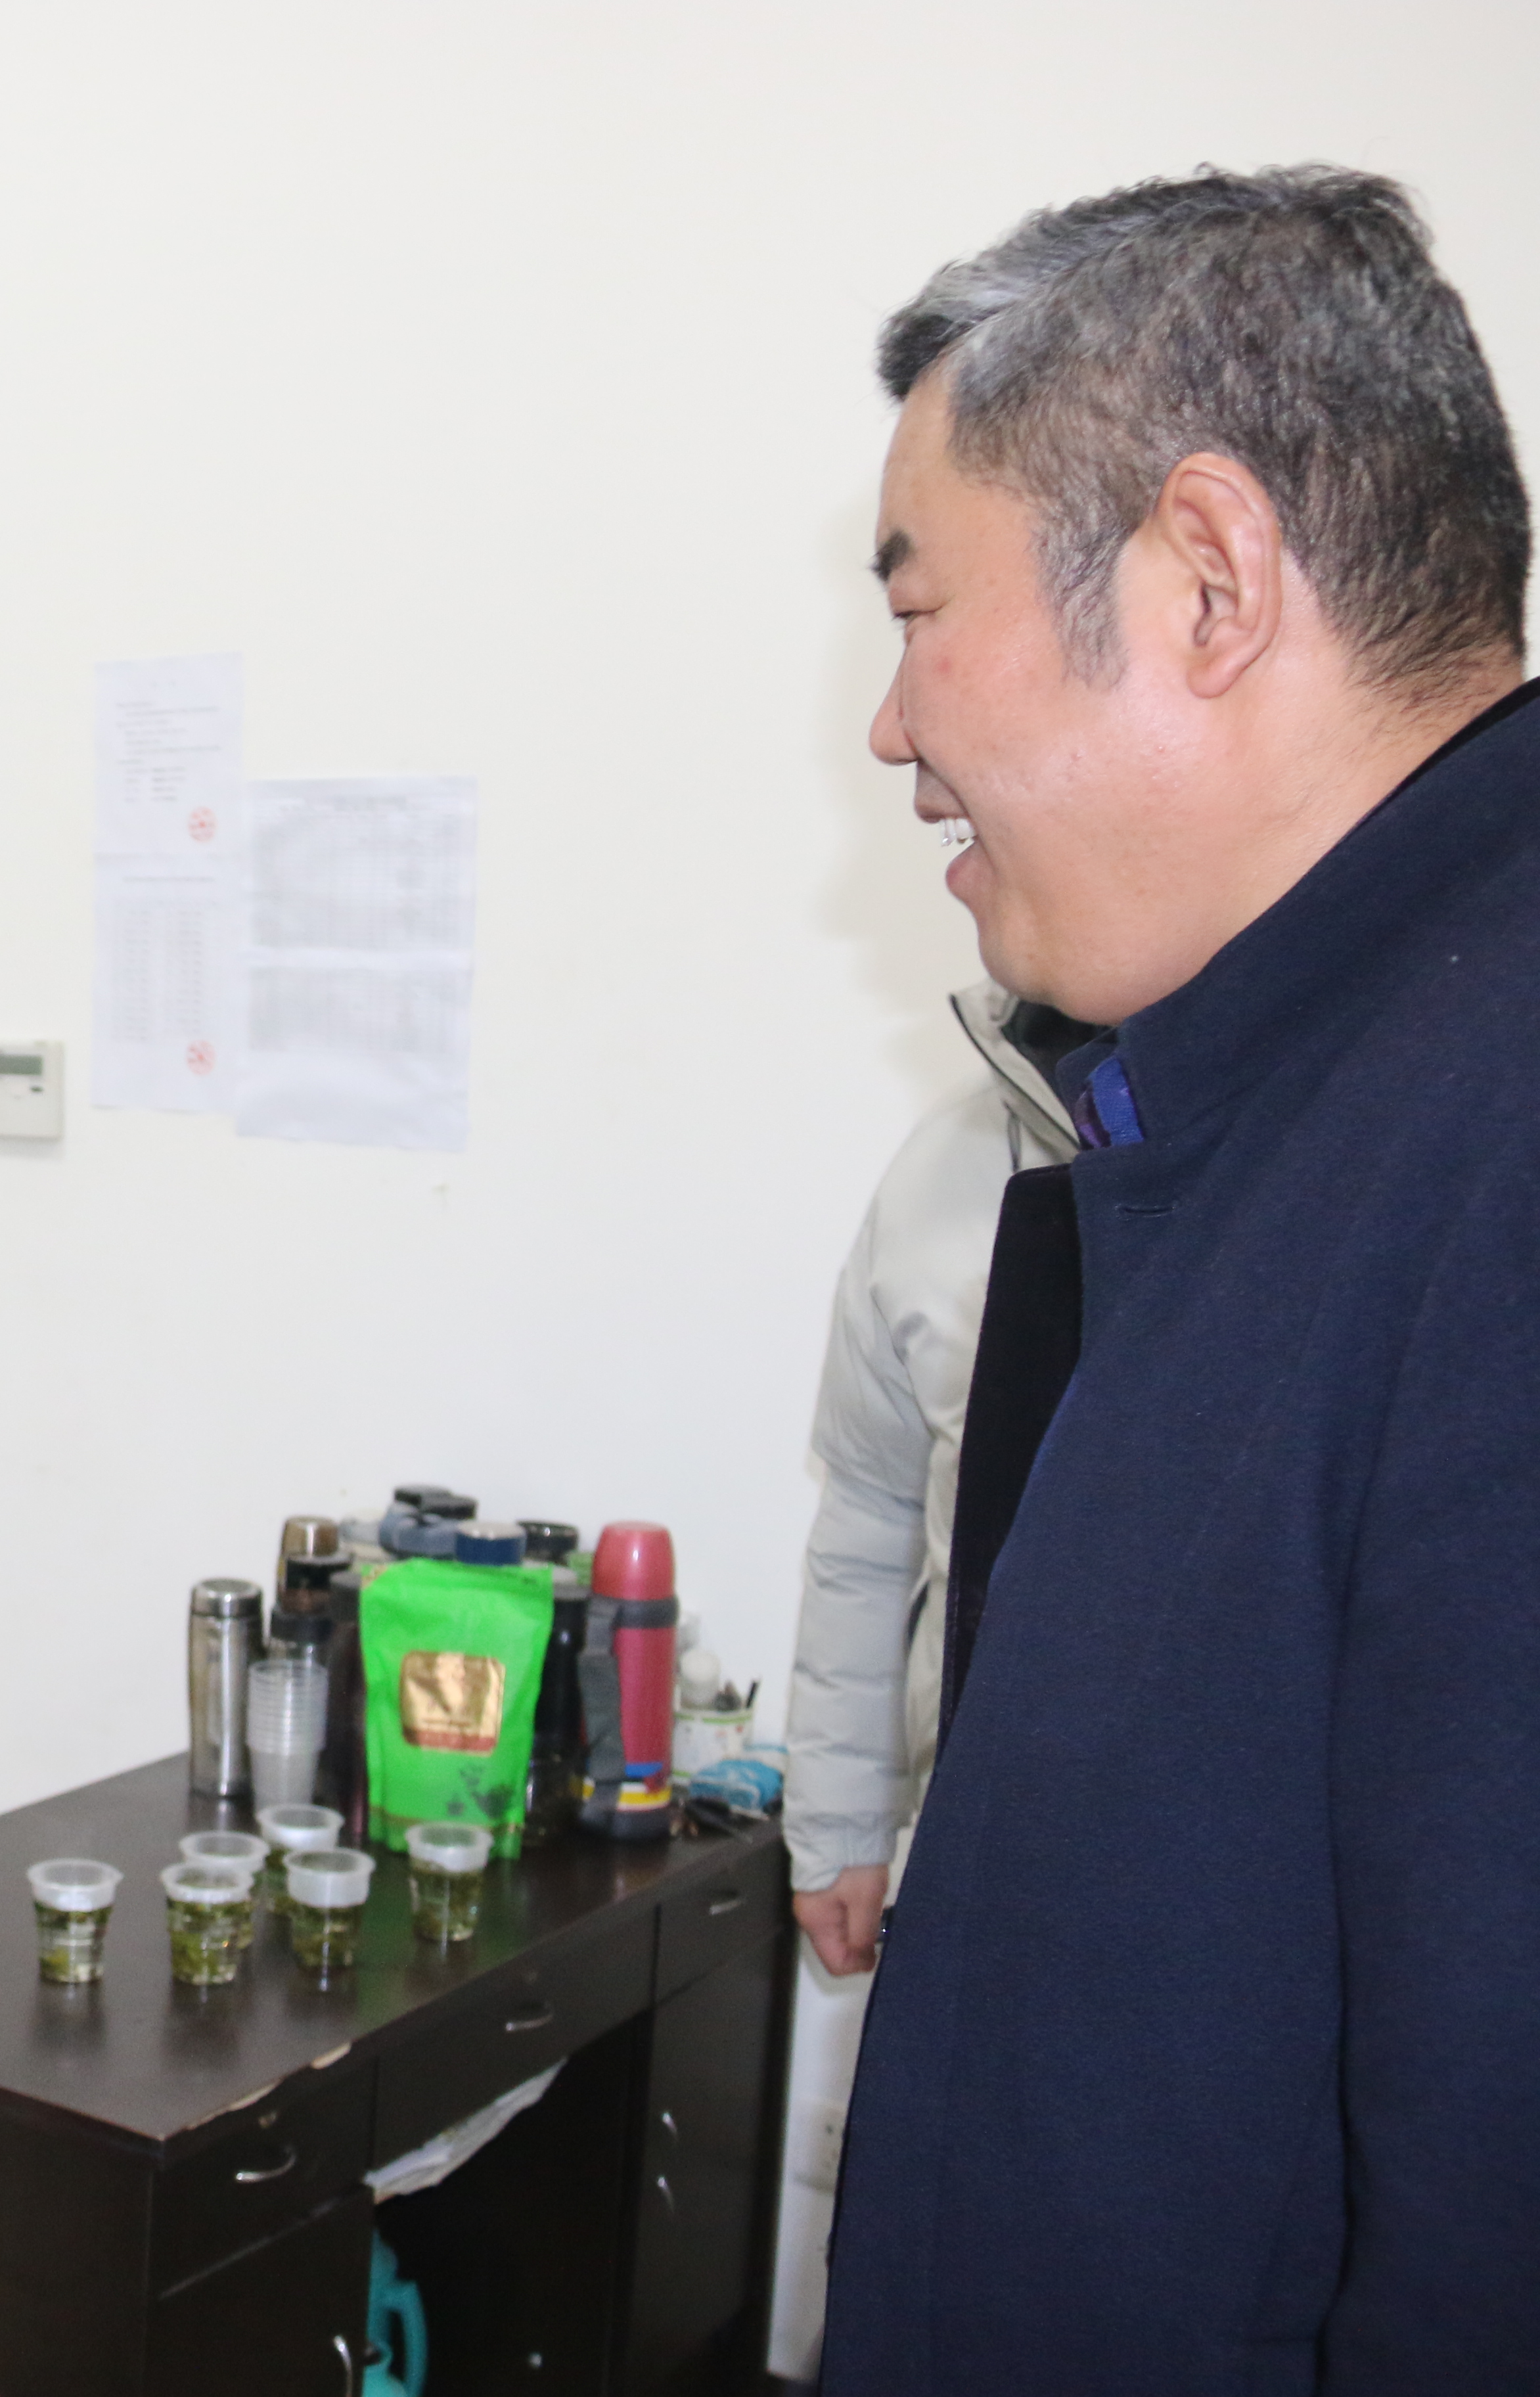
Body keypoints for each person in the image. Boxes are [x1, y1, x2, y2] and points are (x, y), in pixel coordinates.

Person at [824, 168, 1540, 2386]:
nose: (891, 728)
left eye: (920, 607)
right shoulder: (1281, 1095)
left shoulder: (1491, 1139)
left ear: (1207, 577)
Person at [783, 982, 1086, 1978]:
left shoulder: (1311, 1143)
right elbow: (872, 1515)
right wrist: (842, 1825)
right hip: (968, 1829)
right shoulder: (947, 1165)